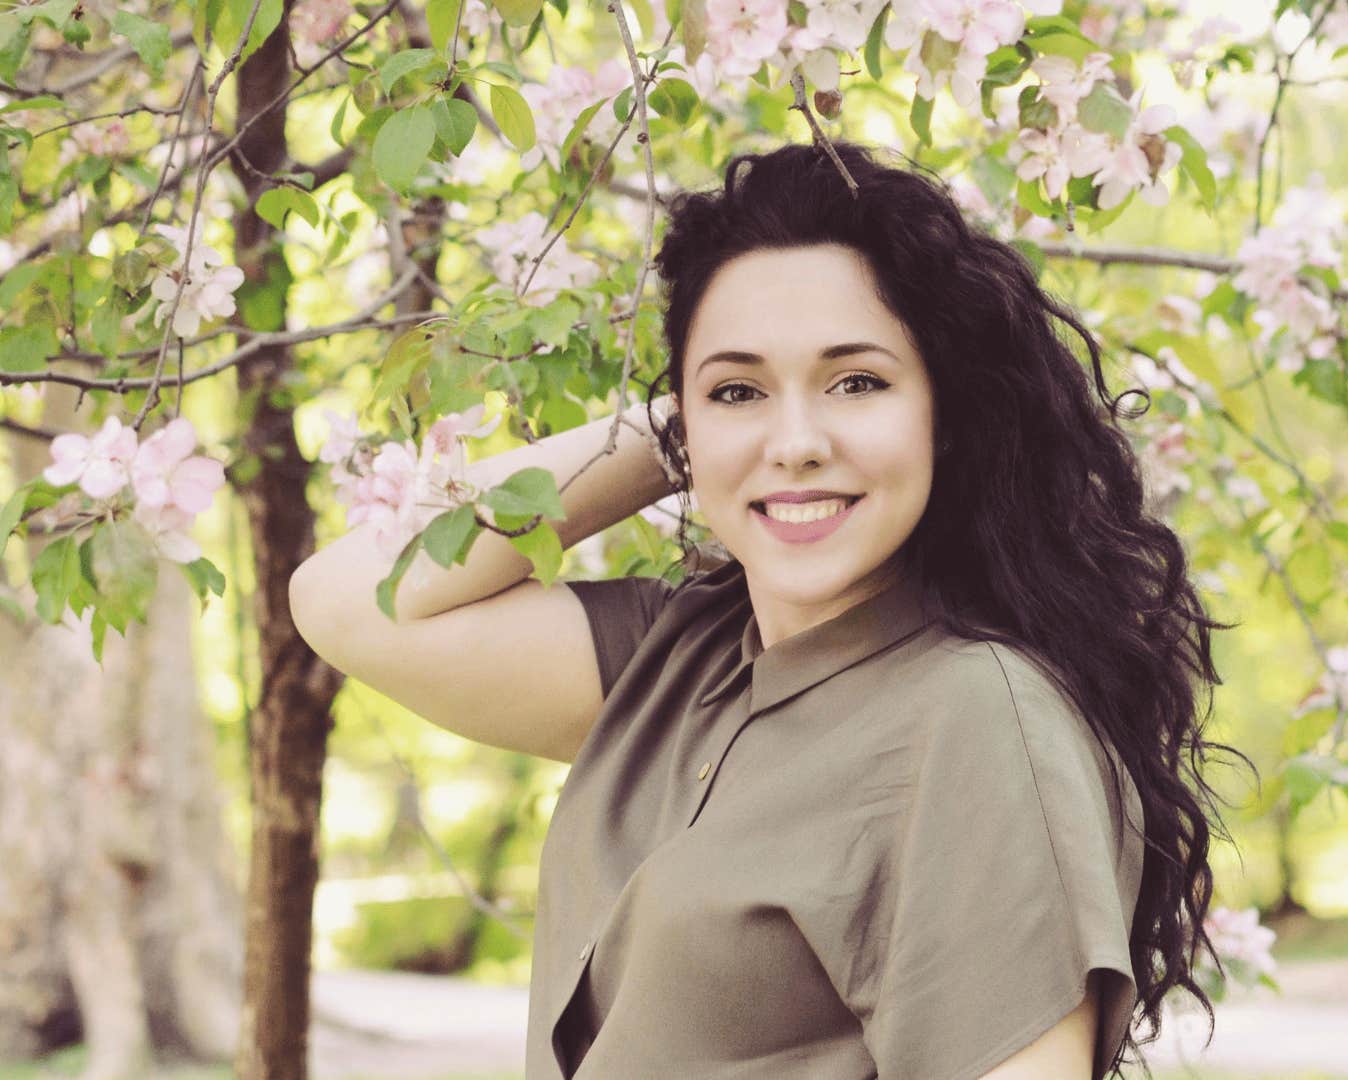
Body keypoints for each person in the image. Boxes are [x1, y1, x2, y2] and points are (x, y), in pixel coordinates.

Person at [290, 138, 1244, 1079]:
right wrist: (691, 430)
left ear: (947, 417)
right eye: (740, 389)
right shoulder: (681, 658)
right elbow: (348, 601)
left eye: (857, 382)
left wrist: (732, 411)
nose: (795, 442)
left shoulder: (981, 718)